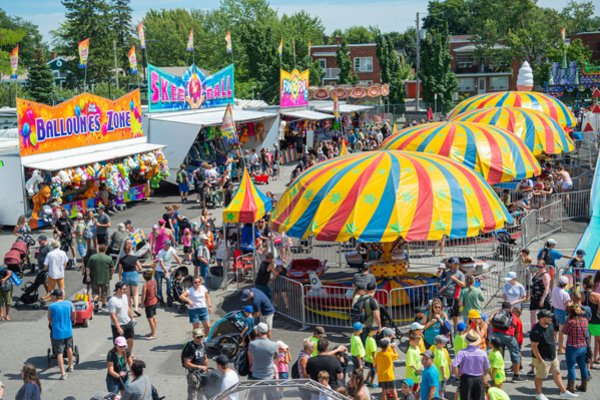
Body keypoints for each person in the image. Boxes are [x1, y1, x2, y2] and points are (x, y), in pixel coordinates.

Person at [531, 309, 578, 400]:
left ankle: (563, 392)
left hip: (553, 356)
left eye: (551, 317)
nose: (551, 319)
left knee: (556, 372)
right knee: (540, 376)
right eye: (548, 317)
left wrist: (555, 352)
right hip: (543, 358)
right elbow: (534, 347)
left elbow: (552, 338)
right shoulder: (536, 331)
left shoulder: (550, 325)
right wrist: (540, 360)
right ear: (541, 319)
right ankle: (539, 394)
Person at [490, 301, 524, 382]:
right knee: (515, 354)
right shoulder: (512, 316)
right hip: (508, 336)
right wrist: (515, 340)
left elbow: (490, 320)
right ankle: (516, 376)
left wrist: (495, 311)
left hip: (496, 335)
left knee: (499, 354)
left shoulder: (497, 313)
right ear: (510, 309)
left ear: (501, 307)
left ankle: (498, 374)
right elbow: (515, 328)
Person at [451, 330, 490, 400]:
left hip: (466, 379)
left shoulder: (462, 352)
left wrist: (457, 375)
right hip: (479, 378)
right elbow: (487, 368)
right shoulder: (482, 353)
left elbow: (454, 366)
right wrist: (483, 375)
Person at [47, 289, 75, 380]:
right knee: (69, 347)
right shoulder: (69, 303)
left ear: (55, 296)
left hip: (57, 332)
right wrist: (73, 319)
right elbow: (74, 313)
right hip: (68, 330)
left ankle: (63, 373)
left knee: (59, 352)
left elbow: (49, 319)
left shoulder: (51, 306)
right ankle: (70, 366)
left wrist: (52, 322)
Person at [248, 323, 279, 399]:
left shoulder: (252, 344)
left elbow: (252, 356)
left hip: (256, 377)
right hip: (269, 377)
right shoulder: (274, 344)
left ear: (258, 331)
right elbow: (276, 358)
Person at [563, 304, 589, 392]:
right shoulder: (585, 320)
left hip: (572, 347)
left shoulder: (571, 322)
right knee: (583, 366)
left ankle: (570, 387)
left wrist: (567, 318)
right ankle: (584, 385)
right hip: (583, 346)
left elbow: (564, 331)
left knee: (571, 367)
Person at [438, 257, 465, 331]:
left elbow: (463, 284)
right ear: (451, 264)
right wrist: (439, 284)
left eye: (457, 264)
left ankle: (456, 328)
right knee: (444, 313)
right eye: (454, 264)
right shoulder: (447, 273)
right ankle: (446, 327)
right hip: (445, 296)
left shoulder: (460, 274)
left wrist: (455, 279)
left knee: (455, 314)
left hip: (454, 297)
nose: (456, 265)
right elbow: (441, 280)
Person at [109, 282, 136, 354]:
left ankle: (129, 354)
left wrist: (132, 318)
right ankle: (118, 356)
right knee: (119, 343)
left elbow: (127, 307)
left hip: (127, 322)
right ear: (118, 289)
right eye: (124, 289)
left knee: (131, 339)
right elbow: (112, 315)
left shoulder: (124, 296)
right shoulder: (112, 300)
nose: (126, 290)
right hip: (119, 324)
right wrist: (118, 328)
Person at [86, 244, 115, 312]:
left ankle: (96, 303)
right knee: (104, 292)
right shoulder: (108, 258)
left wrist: (88, 276)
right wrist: (111, 275)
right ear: (105, 250)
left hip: (94, 277)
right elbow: (113, 268)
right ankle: (104, 305)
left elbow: (88, 268)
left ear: (98, 249)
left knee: (95, 291)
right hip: (105, 278)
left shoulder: (92, 257)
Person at [183, 328, 209, 400]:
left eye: (201, 337)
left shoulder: (202, 345)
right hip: (193, 374)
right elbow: (187, 364)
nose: (200, 339)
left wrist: (207, 369)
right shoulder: (190, 347)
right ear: (193, 337)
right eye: (198, 337)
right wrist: (200, 366)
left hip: (202, 372)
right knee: (191, 394)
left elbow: (205, 358)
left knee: (201, 392)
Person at [119, 239, 142, 316]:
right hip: (133, 274)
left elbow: (119, 270)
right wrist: (137, 270)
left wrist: (120, 278)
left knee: (128, 294)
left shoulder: (122, 259)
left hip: (125, 275)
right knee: (135, 293)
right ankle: (136, 308)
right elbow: (140, 267)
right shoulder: (134, 257)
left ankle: (128, 309)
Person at [155, 240, 182, 305]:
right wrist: (167, 272)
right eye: (166, 245)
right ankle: (160, 299)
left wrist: (181, 265)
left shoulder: (171, 249)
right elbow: (161, 264)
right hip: (159, 271)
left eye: (169, 245)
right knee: (159, 285)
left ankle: (168, 293)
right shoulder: (160, 252)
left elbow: (176, 257)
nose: (167, 246)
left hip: (166, 270)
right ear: (164, 244)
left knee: (169, 280)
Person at [528, 261, 551, 334]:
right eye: (537, 266)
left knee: (543, 314)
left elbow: (547, 288)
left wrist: (542, 299)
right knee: (532, 312)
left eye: (540, 267)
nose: (538, 268)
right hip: (534, 296)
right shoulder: (537, 273)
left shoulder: (545, 275)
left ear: (544, 267)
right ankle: (533, 329)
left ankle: (544, 329)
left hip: (541, 297)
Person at [553, 276, 573, 354]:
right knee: (562, 332)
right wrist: (571, 302)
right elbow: (567, 305)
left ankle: (560, 344)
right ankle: (560, 349)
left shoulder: (555, 290)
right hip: (562, 312)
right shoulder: (565, 294)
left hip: (556, 310)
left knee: (558, 330)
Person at [140, 270, 158, 340]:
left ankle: (153, 335)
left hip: (149, 303)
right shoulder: (154, 282)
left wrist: (141, 303)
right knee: (154, 318)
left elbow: (143, 296)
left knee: (150, 320)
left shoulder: (145, 285)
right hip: (155, 301)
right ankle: (152, 332)